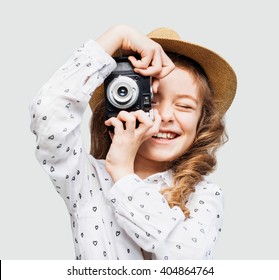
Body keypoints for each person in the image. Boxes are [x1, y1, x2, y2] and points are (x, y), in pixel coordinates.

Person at [30, 24, 237, 260]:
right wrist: (119, 35)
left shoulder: (204, 195)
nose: (167, 116)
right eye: (151, 99)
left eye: (184, 106)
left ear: (202, 122)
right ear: (117, 105)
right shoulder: (87, 181)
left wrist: (123, 174)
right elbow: (48, 111)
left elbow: (187, 261)